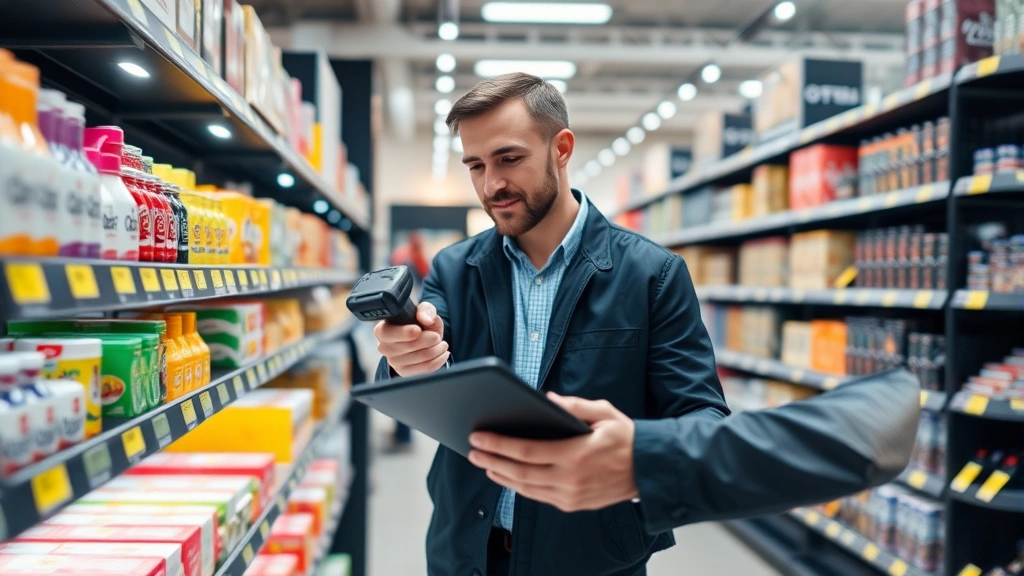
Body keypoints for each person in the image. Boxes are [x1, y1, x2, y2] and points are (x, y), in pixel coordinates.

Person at [374, 72, 728, 576]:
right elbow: (418, 367)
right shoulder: (455, 268)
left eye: (509, 159)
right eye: (476, 165)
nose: (491, 185)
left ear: (561, 149)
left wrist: (633, 451)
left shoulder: (652, 275)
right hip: (466, 554)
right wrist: (404, 359)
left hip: (593, 560)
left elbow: (704, 420)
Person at [386, 231, 431, 450]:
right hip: (406, 320)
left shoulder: (413, 260)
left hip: (413, 319)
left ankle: (404, 435)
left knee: (404, 381)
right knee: (401, 378)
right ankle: (402, 432)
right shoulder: (407, 258)